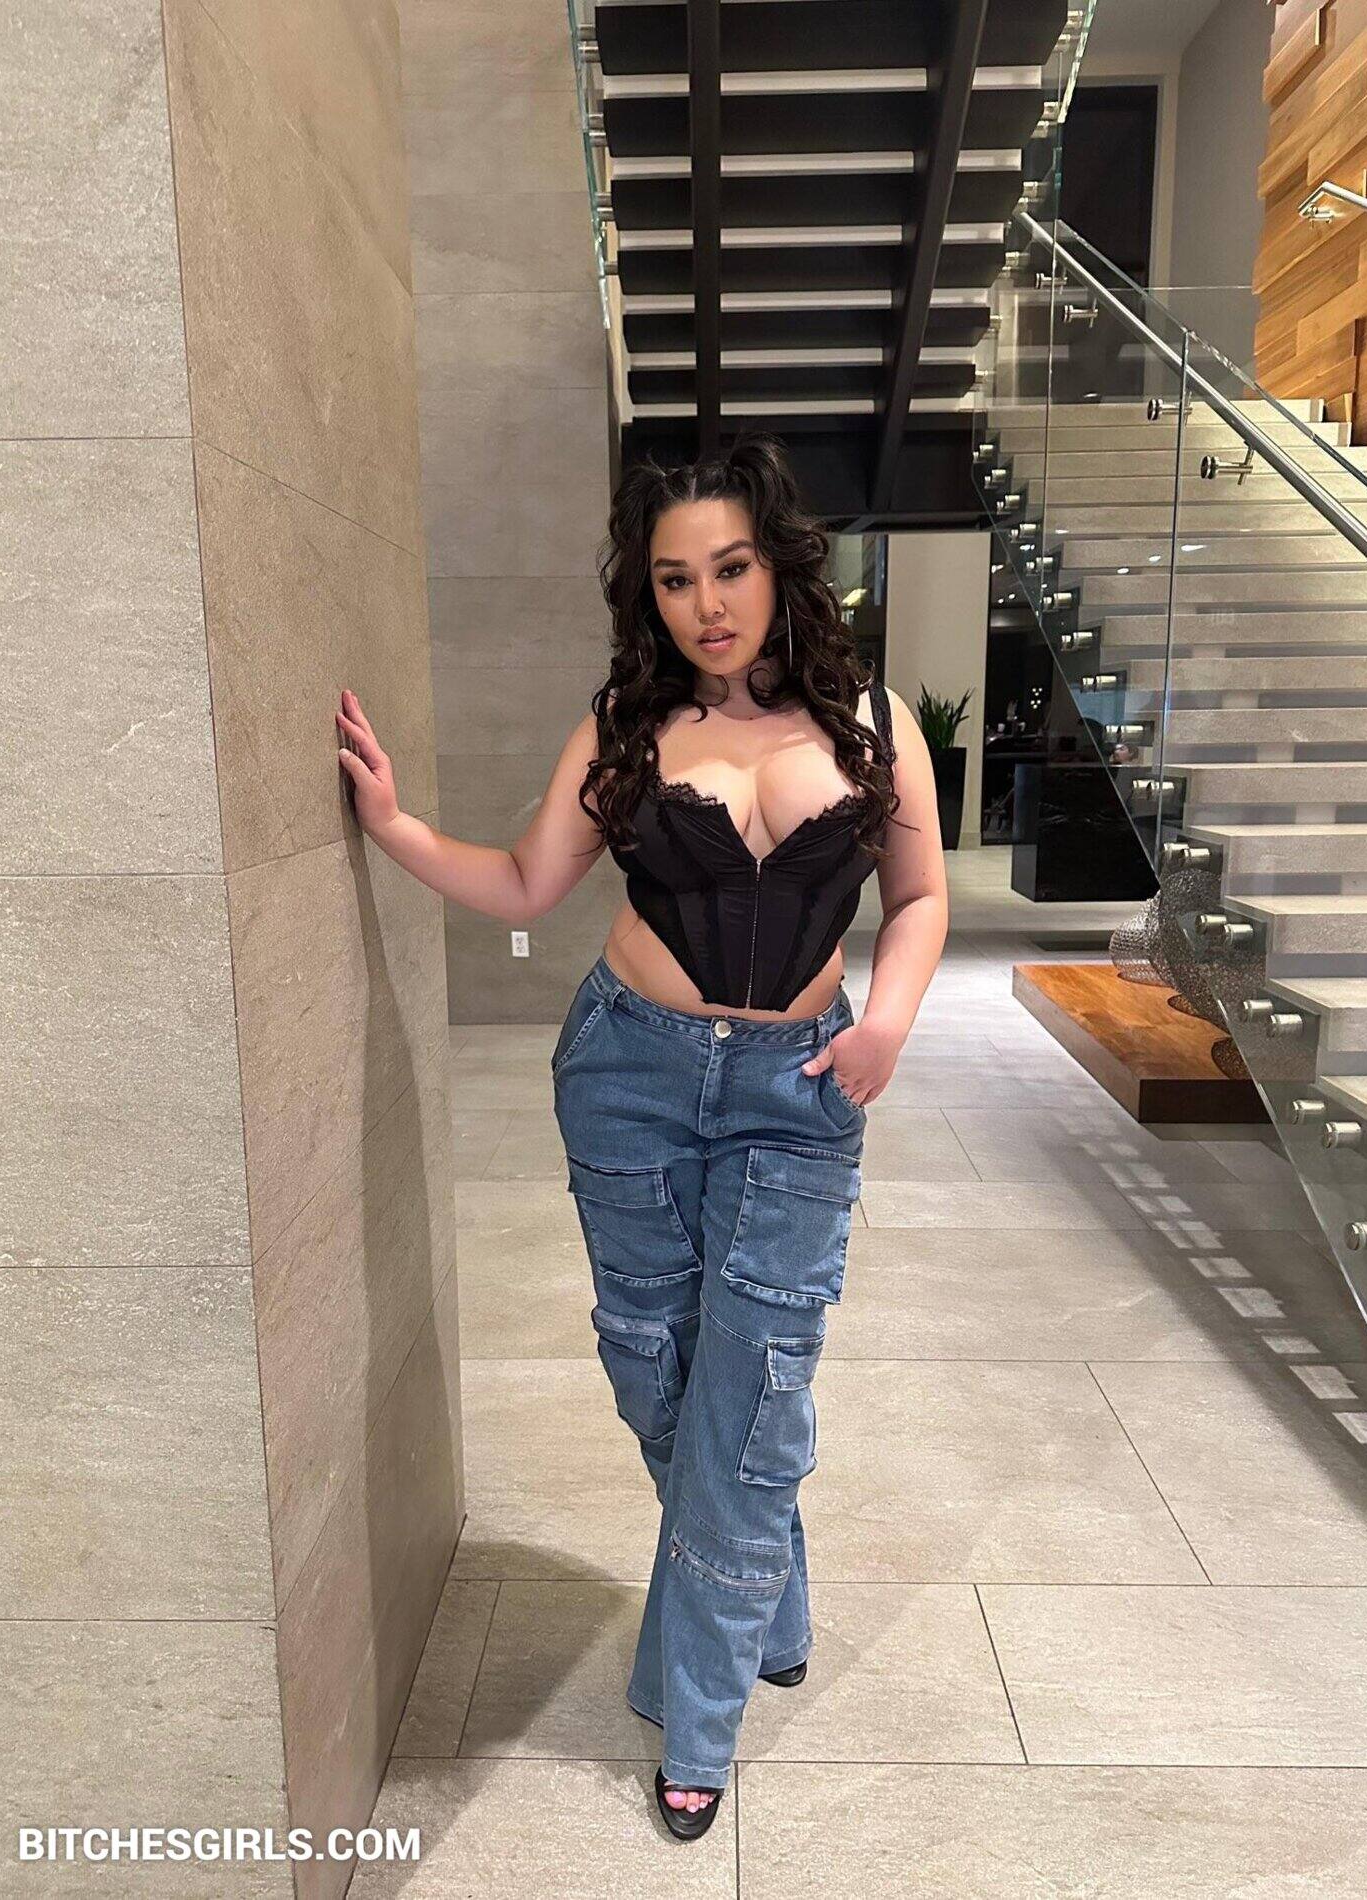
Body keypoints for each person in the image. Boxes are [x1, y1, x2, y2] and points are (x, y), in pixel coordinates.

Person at [336, 433, 948, 1840]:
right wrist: (393, 825)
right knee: (657, 1372)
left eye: (729, 567)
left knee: (757, 1380)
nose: (705, 604)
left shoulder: (873, 723)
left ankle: (697, 1715)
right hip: (629, 1071)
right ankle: (768, 1592)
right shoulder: (626, 721)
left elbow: (917, 898)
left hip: (799, 1089)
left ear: (776, 564)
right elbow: (523, 883)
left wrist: (889, 1022)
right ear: (648, 594)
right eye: (675, 579)